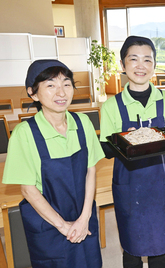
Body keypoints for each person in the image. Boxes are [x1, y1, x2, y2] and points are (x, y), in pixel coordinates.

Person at [2, 60, 104, 267]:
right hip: (48, 223)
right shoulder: (24, 134)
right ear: (33, 93)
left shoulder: (83, 123)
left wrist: (85, 217)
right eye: (50, 85)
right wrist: (64, 226)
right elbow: (28, 190)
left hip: (83, 216)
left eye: (66, 84)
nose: (61, 93)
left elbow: (90, 171)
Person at [99, 36, 165, 268]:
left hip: (161, 180)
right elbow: (107, 149)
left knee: (161, 243)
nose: (140, 65)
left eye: (147, 59)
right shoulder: (111, 106)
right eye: (133, 59)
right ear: (123, 65)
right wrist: (125, 140)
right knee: (132, 247)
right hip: (128, 183)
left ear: (154, 65)